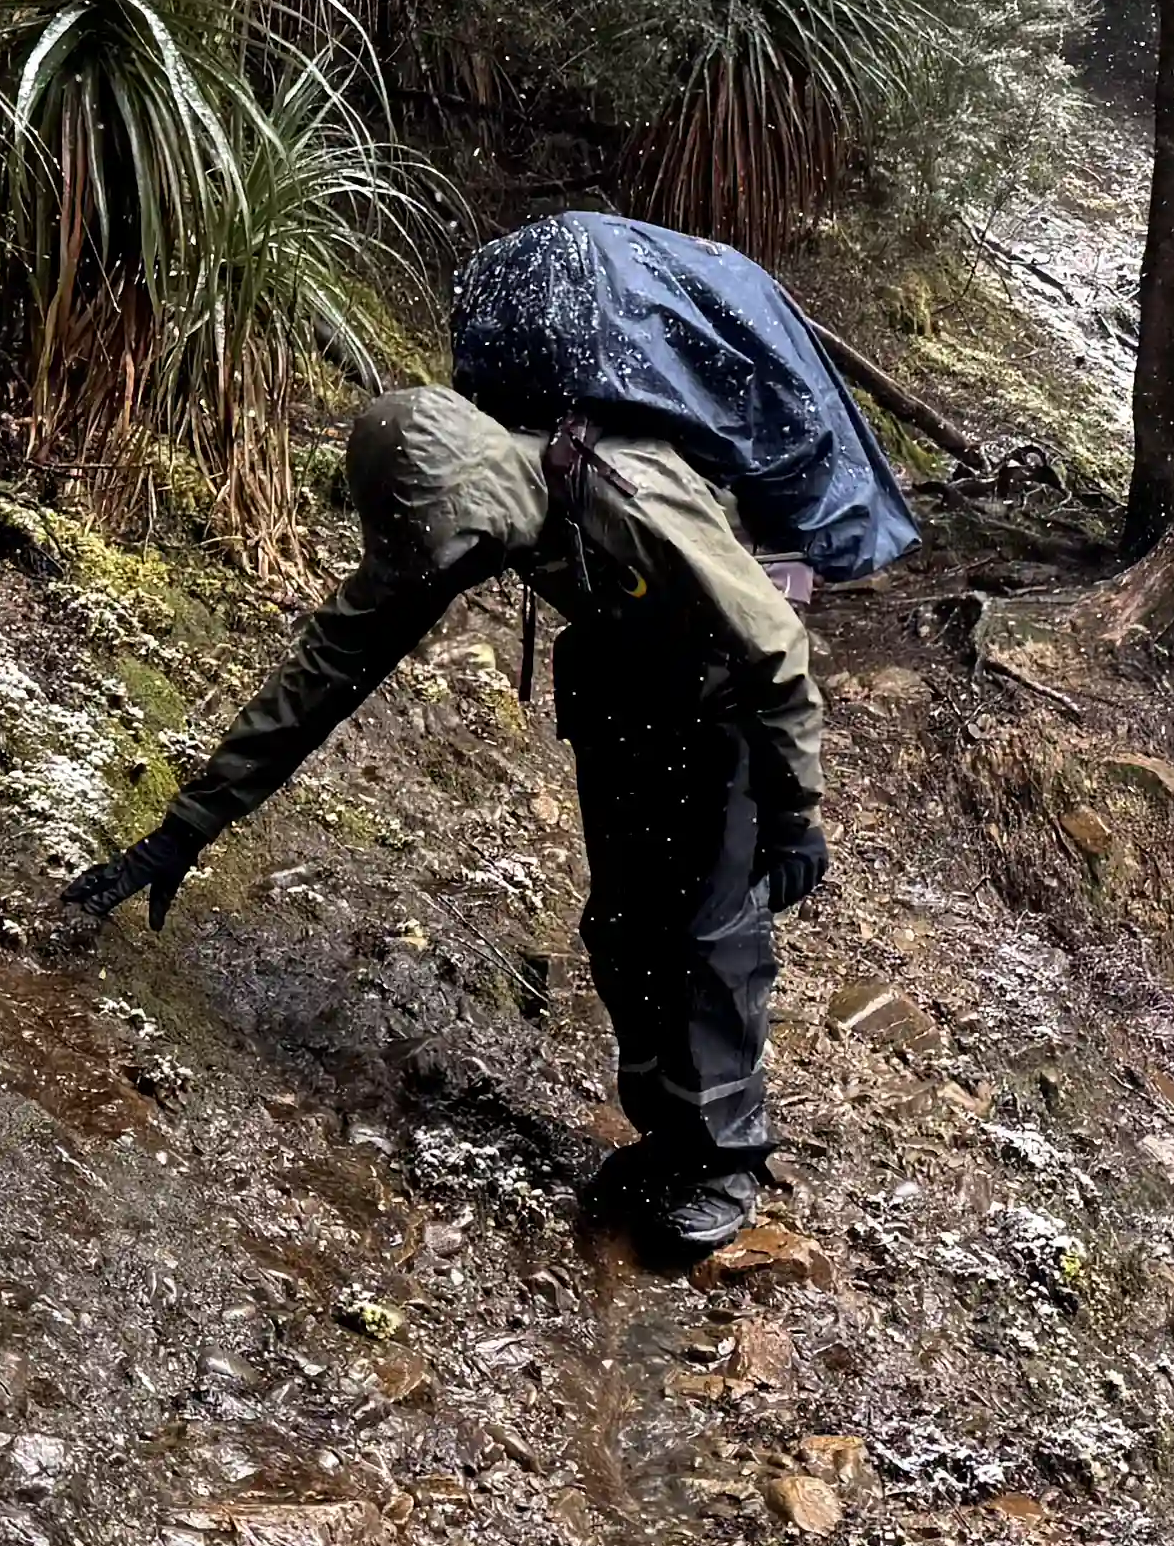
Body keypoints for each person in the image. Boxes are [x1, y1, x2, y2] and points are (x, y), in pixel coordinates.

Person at [60, 378, 829, 1261]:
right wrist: (184, 830)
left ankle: (721, 1165)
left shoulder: (630, 494)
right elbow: (323, 675)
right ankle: (668, 1143)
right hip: (628, 691)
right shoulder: (463, 519)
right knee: (623, 931)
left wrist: (795, 815)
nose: (451, 566)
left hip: (728, 705)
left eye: (455, 545)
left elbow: (774, 649)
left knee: (704, 936)